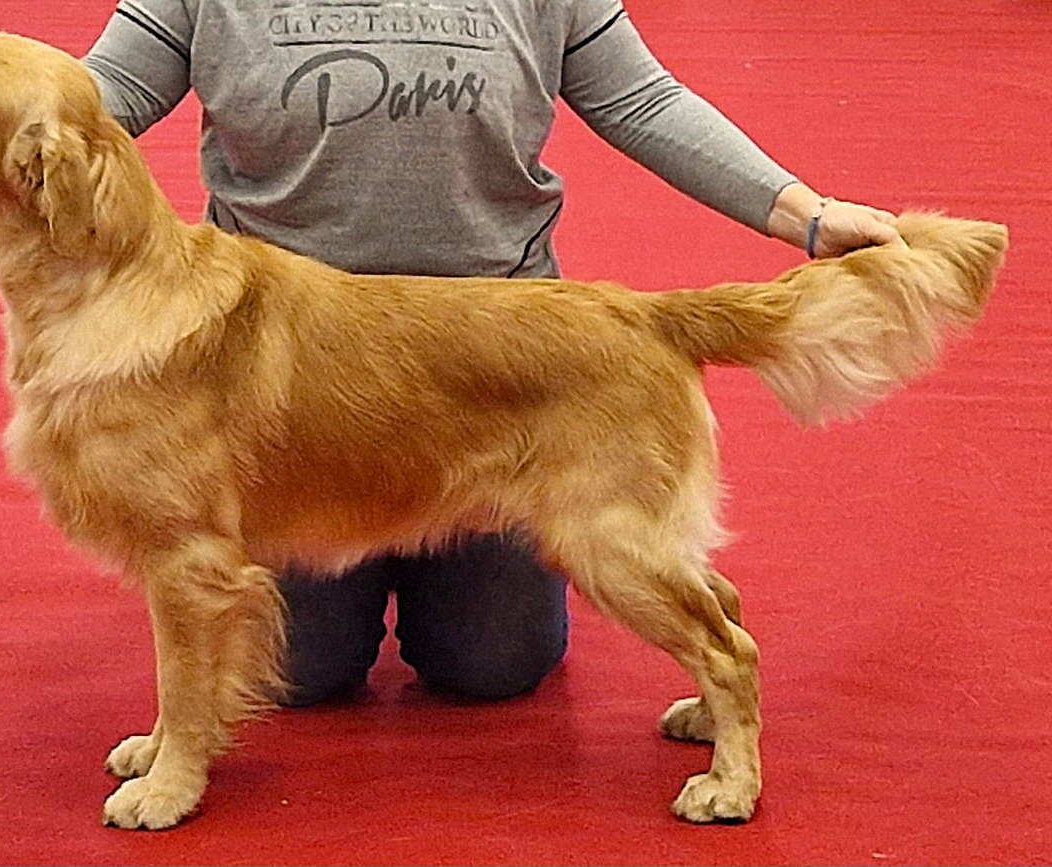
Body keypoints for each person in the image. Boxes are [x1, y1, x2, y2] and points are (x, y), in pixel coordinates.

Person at [83, 0, 905, 707]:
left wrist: (806, 214)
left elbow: (642, 99)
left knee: (492, 664)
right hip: (294, 386)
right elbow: (94, 98)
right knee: (301, 674)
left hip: (496, 375)